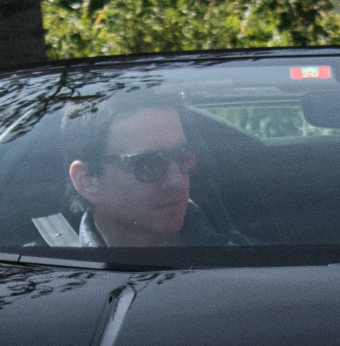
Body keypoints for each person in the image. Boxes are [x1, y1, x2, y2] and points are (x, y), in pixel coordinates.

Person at [60, 95, 234, 247]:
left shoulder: (240, 260)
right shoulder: (48, 268)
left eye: (184, 155)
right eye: (148, 164)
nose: (177, 181)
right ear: (87, 180)